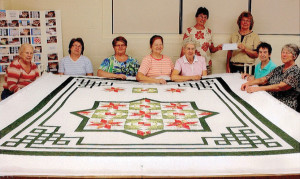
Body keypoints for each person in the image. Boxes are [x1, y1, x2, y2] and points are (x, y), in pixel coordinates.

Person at [241, 44, 300, 111]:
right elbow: (264, 79)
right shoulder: (279, 68)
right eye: (283, 52)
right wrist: (248, 83)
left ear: (294, 56)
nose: (284, 55)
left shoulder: (295, 71)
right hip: (272, 100)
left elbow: (280, 87)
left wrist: (257, 88)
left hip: (285, 106)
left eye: (287, 53)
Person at [181, 7, 222, 75]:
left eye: (205, 17)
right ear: (196, 17)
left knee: (207, 84)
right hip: (192, 65)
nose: (203, 19)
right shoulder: (189, 31)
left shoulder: (209, 31)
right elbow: (183, 50)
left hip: (207, 65)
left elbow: (211, 49)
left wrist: (218, 48)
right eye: (201, 16)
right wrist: (182, 65)